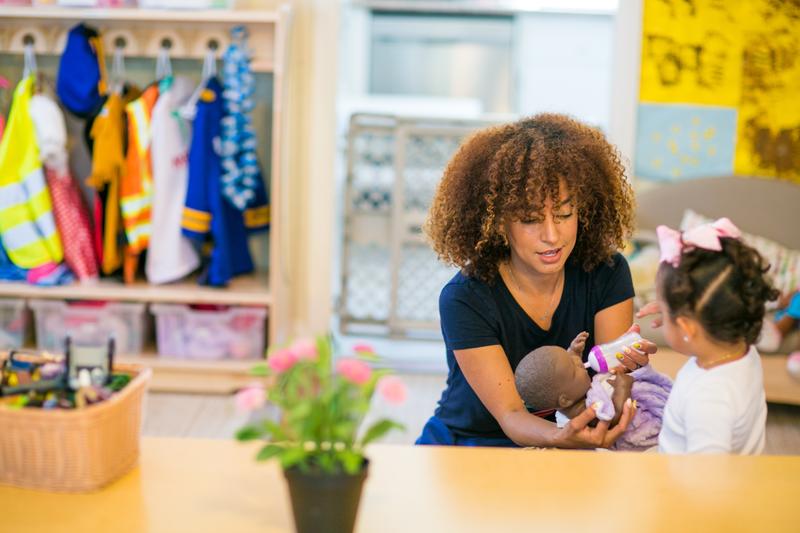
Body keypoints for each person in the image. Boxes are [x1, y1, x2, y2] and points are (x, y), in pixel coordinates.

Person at [417, 113, 657, 448]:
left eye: (564, 214)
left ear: (582, 212)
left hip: (573, 428)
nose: (551, 235)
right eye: (530, 219)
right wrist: (564, 437)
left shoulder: (607, 272)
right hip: (473, 439)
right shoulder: (464, 298)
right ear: (499, 223)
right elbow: (512, 415)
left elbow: (608, 383)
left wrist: (628, 375)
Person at [640, 218, 778, 454]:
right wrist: (676, 313)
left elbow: (708, 481)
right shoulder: (741, 345)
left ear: (687, 328)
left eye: (664, 306)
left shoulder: (709, 400)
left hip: (684, 484)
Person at [514, 332, 672, 451]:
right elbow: (613, 416)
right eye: (574, 369)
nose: (580, 364)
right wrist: (623, 386)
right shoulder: (580, 413)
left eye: (571, 357)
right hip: (641, 445)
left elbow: (565, 372)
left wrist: (573, 353)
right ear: (565, 400)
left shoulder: (571, 394)